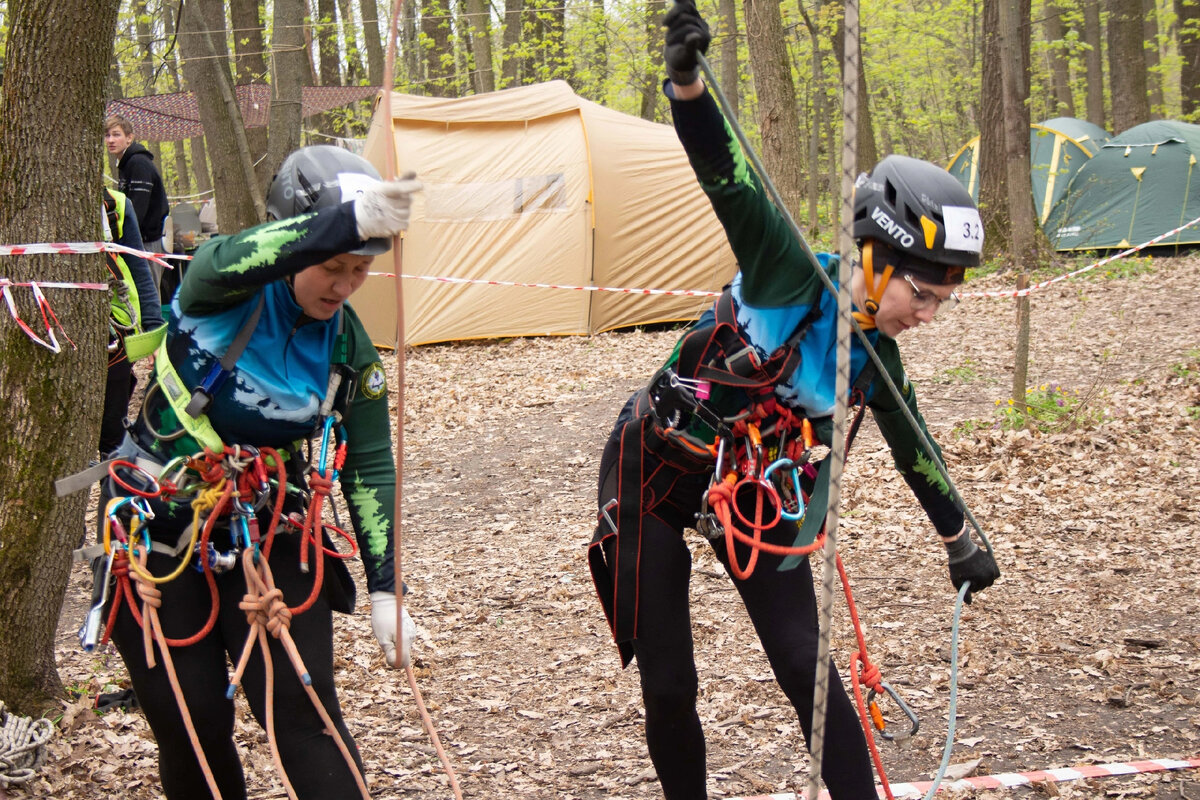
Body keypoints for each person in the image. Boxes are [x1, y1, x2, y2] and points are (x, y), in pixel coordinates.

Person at [586, 4, 1001, 798]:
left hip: (754, 489)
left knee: (808, 663)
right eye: (925, 293)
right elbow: (728, 179)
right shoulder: (785, 274)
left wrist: (959, 537)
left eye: (946, 300)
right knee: (670, 682)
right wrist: (686, 84)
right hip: (655, 474)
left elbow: (915, 446)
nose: (930, 315)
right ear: (876, 260)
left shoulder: (874, 356)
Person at [93, 145, 421, 800]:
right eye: (332, 265)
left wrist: (386, 590)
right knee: (192, 724)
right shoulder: (220, 288)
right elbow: (223, 254)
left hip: (269, 522)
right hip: (154, 523)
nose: (344, 285)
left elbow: (372, 464)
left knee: (307, 716)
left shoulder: (347, 342)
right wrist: (345, 220)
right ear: (296, 244)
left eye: (360, 271)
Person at [100, 186, 165, 456]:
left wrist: (153, 330)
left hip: (114, 333)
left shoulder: (116, 205)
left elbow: (139, 266)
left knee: (112, 434)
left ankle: (111, 487)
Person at [105, 114, 169, 291]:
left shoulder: (138, 163)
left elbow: (137, 209)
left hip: (149, 241)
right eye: (108, 135)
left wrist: (122, 238)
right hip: (141, 241)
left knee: (148, 294)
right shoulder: (127, 163)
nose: (111, 140)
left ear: (129, 138)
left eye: (116, 134)